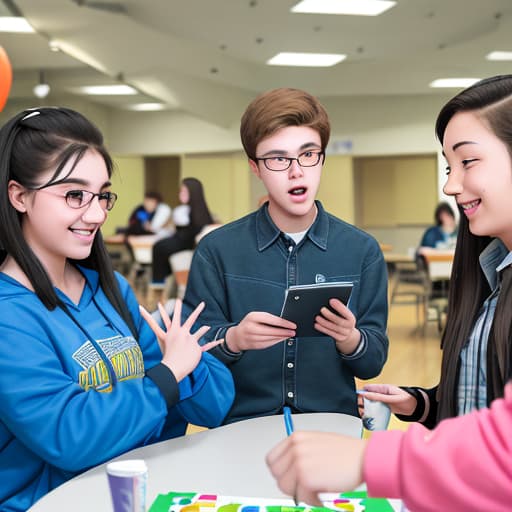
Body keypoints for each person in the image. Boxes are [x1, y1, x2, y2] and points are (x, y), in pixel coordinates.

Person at [265, 74, 512, 512]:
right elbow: (484, 408)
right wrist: (422, 404)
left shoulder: (358, 248)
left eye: (468, 162)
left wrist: (371, 459)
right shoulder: (488, 276)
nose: (450, 186)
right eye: (448, 167)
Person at [0, 107, 234, 511]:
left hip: (136, 497)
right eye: (75, 195)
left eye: (102, 195)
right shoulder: (9, 315)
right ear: (19, 195)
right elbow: (71, 436)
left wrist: (183, 360)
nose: (96, 215)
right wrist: (168, 374)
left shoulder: (110, 290)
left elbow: (214, 404)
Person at [183, 88, 389, 424]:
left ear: (322, 158)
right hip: (240, 429)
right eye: (278, 159)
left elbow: (372, 362)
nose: (296, 171)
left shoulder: (362, 250)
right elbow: (193, 353)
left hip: (331, 425)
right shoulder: (217, 250)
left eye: (308, 154)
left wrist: (350, 339)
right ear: (256, 167)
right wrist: (234, 339)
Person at [151, 177, 213, 285]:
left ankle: (159, 282)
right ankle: (161, 281)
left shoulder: (199, 212)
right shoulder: (182, 210)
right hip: (180, 239)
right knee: (159, 246)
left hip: (188, 243)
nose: (181, 194)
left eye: (184, 191)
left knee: (160, 247)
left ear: (193, 192)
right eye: (181, 191)